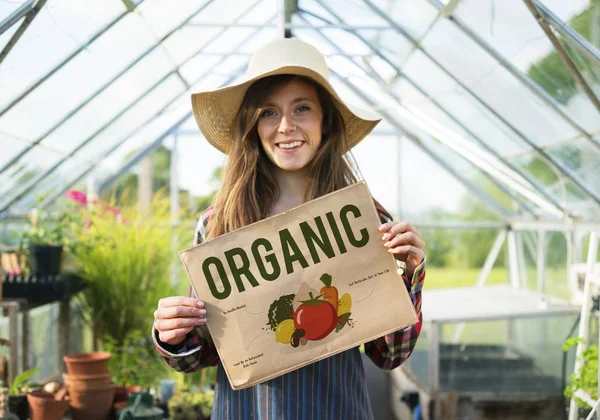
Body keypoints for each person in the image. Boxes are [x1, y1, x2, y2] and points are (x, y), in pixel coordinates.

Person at [152, 38, 426, 420]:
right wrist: (174, 332)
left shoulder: (367, 220)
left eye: (302, 108)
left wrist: (408, 276)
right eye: (268, 112)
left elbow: (389, 355)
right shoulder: (219, 224)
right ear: (252, 125)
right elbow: (210, 350)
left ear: (324, 119)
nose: (286, 126)